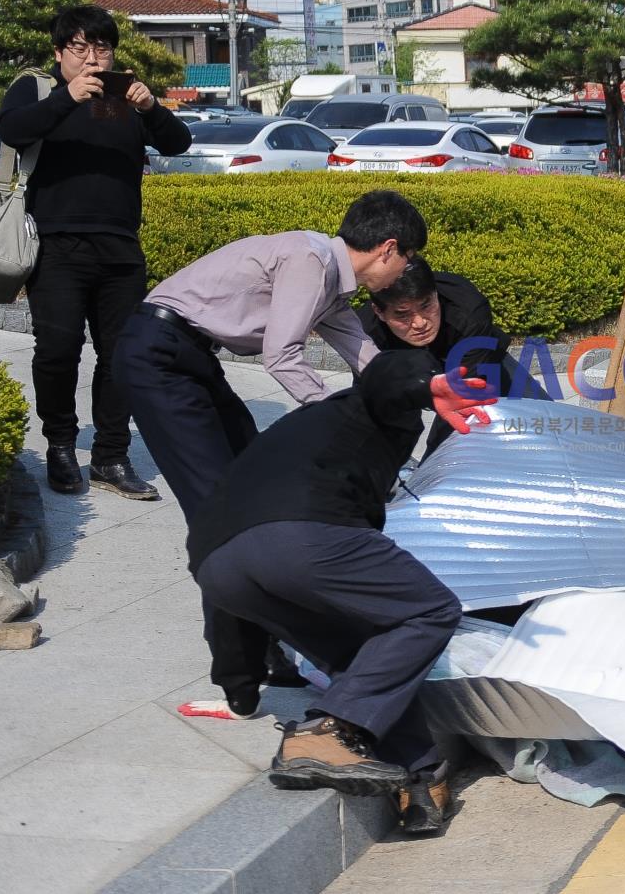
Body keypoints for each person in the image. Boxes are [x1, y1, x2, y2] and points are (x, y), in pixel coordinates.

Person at [112, 190, 422, 720]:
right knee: (224, 519)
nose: (403, 276)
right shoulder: (309, 261)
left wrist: (422, 396)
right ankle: (241, 676)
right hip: (156, 356)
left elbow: (368, 362)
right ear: (388, 249)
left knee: (253, 494)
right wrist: (338, 416)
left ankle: (268, 649)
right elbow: (282, 355)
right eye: (408, 263)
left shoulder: (330, 288)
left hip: (190, 358)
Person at [187, 349, 495, 832]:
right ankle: (321, 731)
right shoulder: (364, 406)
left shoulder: (300, 435)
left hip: (216, 565)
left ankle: (419, 780)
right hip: (304, 533)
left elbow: (233, 617)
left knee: (363, 656)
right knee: (429, 611)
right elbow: (386, 375)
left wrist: (238, 684)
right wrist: (427, 383)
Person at [0, 4, 191, 498]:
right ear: (60, 53)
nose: (91, 58)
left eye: (100, 48)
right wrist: (67, 97)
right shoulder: (38, 89)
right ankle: (60, 446)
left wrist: (151, 108)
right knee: (58, 352)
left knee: (121, 355)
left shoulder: (126, 96)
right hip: (57, 245)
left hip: (120, 248)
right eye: (79, 48)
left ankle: (110, 455)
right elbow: (13, 131)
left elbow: (178, 143)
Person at [357, 258, 550, 458]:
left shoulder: (469, 307)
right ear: (379, 312)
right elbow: (371, 405)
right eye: (403, 315)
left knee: (548, 419)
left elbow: (463, 398)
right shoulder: (364, 332)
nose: (420, 323)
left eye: (426, 306)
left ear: (436, 294)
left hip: (474, 361)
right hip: (406, 368)